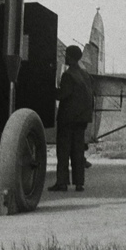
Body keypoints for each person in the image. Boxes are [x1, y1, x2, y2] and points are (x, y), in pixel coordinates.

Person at [52, 45, 93, 191]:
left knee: (63, 151)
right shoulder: (85, 74)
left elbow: (63, 94)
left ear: (70, 57)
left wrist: (49, 91)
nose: (65, 57)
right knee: (78, 151)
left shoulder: (68, 75)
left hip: (67, 119)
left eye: (66, 55)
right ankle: (79, 183)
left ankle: (62, 183)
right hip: (81, 120)